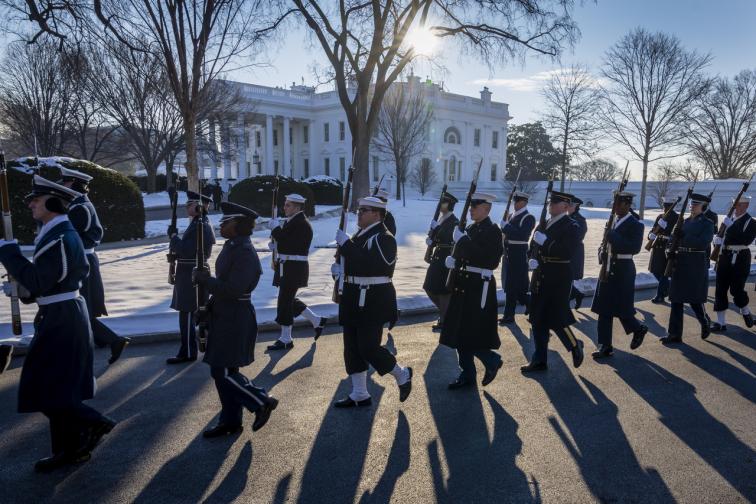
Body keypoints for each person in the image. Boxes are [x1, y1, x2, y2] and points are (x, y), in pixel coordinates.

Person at [0, 176, 116, 472]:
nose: (30, 204)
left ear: (52, 203)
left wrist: (10, 255)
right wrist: (23, 290)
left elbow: (40, 280)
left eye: (35, 200)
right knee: (59, 387)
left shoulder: (63, 236)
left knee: (43, 387)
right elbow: (45, 282)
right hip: (59, 313)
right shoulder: (55, 233)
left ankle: (94, 422)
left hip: (63, 317)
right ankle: (70, 449)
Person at [193, 202, 278, 437]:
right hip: (224, 312)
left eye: (226, 222)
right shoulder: (232, 246)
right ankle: (230, 421)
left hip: (235, 315)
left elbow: (233, 289)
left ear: (238, 225)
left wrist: (206, 281)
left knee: (223, 372)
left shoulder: (244, 252)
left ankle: (261, 401)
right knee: (222, 370)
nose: (221, 226)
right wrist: (207, 306)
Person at [332, 196, 412, 407]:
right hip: (352, 295)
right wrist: (339, 270)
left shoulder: (385, 238)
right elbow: (354, 262)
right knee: (351, 347)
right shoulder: (360, 235)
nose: (358, 214)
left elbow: (374, 265)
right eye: (358, 210)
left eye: (363, 210)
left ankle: (402, 374)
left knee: (368, 347)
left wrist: (346, 246)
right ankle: (360, 393)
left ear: (377, 214)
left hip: (373, 298)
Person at [59, 167, 130, 364]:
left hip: (83, 260)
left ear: (72, 183)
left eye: (64, 181)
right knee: (84, 305)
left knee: (82, 308)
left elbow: (70, 236)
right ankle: (100, 340)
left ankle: (114, 340)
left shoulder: (79, 208)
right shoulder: (80, 204)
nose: (62, 185)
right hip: (86, 259)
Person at [441, 192, 504, 389]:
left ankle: (491, 359)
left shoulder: (493, 231)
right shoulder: (470, 228)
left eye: (474, 207)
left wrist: (463, 242)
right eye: (471, 206)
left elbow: (489, 260)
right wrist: (455, 259)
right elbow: (466, 254)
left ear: (486, 209)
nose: (471, 210)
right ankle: (467, 373)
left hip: (479, 286)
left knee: (472, 331)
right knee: (460, 331)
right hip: (464, 283)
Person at [521, 191, 585, 373]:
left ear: (565, 206)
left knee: (557, 318)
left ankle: (574, 346)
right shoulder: (543, 224)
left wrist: (547, 242)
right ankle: (539, 359)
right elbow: (533, 246)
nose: (551, 205)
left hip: (558, 277)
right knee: (537, 319)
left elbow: (567, 252)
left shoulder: (571, 226)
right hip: (540, 275)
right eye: (551, 202)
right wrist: (531, 258)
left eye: (555, 203)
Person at [590, 192, 648, 358]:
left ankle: (638, 329)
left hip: (623, 268)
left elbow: (634, 248)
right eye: (614, 203)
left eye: (618, 203)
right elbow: (604, 242)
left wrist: (614, 237)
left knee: (622, 307)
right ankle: (605, 345)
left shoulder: (635, 224)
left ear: (627, 205)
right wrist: (601, 252)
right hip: (608, 266)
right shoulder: (613, 220)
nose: (614, 207)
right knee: (604, 308)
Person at [266, 194, 327, 351]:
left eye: (288, 205)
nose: (284, 207)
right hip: (287, 266)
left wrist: (276, 230)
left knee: (285, 301)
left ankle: (286, 338)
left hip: (294, 267)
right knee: (288, 299)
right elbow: (286, 243)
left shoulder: (301, 223)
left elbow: (288, 242)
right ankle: (316, 320)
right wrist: (276, 246)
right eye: (285, 204)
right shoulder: (292, 221)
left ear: (298, 207)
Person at [166, 191, 216, 364]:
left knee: (187, 313)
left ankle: (188, 352)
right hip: (187, 270)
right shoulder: (197, 223)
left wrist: (174, 238)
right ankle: (195, 348)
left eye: (190, 204)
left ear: (199, 206)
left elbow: (187, 250)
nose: (187, 207)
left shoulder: (201, 224)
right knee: (189, 313)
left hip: (190, 272)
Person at [662, 193, 715, 344]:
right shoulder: (683, 222)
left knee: (694, 299)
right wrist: (669, 251)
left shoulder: (707, 223)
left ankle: (704, 321)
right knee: (676, 299)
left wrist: (684, 236)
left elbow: (703, 243)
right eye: (692, 204)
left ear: (704, 206)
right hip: (680, 261)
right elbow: (672, 239)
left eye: (696, 204)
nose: (692, 206)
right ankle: (674, 334)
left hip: (695, 262)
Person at [711, 196, 756, 332]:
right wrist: (716, 240)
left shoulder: (751, 222)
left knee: (736, 289)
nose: (736, 208)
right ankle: (720, 322)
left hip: (741, 257)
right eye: (734, 205)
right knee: (720, 288)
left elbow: (746, 240)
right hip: (725, 256)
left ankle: (745, 310)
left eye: (739, 205)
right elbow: (720, 236)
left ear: (746, 206)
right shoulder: (728, 219)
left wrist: (733, 226)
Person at [422, 193, 459, 332]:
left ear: (449, 205)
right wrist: (431, 242)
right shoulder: (441, 218)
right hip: (437, 257)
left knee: (443, 291)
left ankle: (444, 319)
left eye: (443, 203)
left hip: (446, 258)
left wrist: (436, 230)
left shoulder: (454, 221)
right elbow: (438, 237)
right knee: (429, 287)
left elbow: (449, 237)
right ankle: (447, 313)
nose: (440, 205)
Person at [498, 191, 535, 324]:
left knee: (513, 286)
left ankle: (509, 315)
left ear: (524, 202)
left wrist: (506, 227)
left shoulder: (528, 217)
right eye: (515, 201)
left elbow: (522, 235)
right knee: (514, 286)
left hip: (519, 254)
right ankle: (530, 305)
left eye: (518, 201)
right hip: (509, 253)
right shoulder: (511, 216)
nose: (515, 204)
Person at [647, 197, 679, 304]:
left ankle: (660, 295)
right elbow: (654, 229)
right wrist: (650, 235)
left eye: (667, 206)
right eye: (664, 206)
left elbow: (677, 234)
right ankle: (670, 289)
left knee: (664, 273)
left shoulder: (677, 217)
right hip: (657, 245)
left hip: (668, 247)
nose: (665, 208)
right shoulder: (660, 216)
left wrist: (667, 230)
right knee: (655, 271)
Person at [567, 197, 588, 309]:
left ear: (576, 206)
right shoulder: (565, 218)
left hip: (574, 254)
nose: (568, 207)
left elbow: (578, 236)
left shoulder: (580, 220)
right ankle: (577, 294)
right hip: (565, 253)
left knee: (567, 278)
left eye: (570, 205)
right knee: (564, 279)